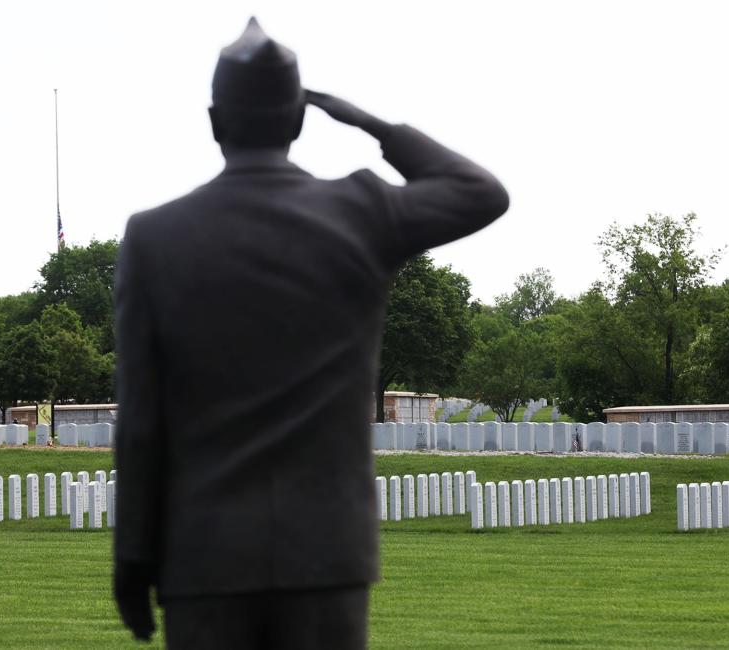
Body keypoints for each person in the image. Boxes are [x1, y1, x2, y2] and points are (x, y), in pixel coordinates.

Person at [113, 17, 509, 648]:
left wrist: (133, 557)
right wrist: (372, 126)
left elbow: (139, 420)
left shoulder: (155, 236)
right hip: (327, 556)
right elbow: (481, 192)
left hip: (204, 556)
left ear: (215, 123)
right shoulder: (361, 212)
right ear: (298, 120)